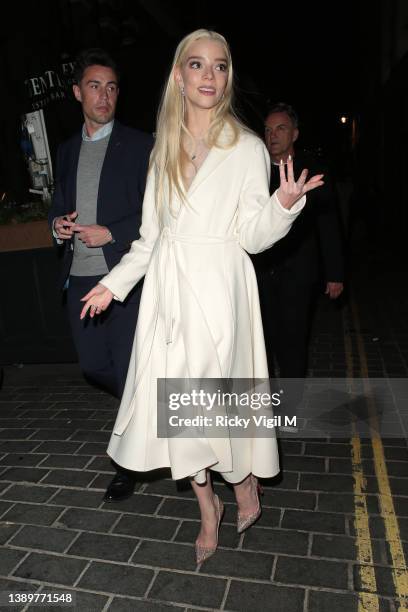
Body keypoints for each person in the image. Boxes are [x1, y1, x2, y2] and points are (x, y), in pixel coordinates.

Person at [80, 30, 323, 566]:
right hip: (171, 298)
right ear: (179, 76)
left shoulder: (248, 148)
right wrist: (112, 284)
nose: (209, 75)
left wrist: (282, 206)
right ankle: (206, 506)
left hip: (223, 292)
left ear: (226, 77)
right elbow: (150, 239)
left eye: (219, 66)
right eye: (197, 65)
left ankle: (243, 485)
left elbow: (253, 236)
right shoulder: (160, 150)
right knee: (184, 414)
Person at [48, 48, 153, 502]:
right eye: (94, 86)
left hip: (123, 278)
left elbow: (157, 216)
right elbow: (58, 203)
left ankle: (127, 464)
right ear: (77, 93)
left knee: (128, 366)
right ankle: (148, 407)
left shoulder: (139, 144)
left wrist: (111, 231)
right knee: (94, 367)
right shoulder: (68, 150)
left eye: (111, 87)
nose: (104, 95)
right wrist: (58, 226)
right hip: (80, 281)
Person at [253, 103, 344, 409]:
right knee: (259, 342)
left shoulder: (312, 170)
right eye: (267, 129)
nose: (272, 135)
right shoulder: (255, 169)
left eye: (279, 128)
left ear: (294, 134)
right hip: (259, 272)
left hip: (298, 272)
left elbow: (328, 224)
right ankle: (263, 407)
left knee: (292, 341)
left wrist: (335, 274)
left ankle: (289, 408)